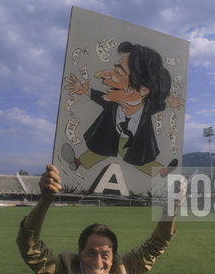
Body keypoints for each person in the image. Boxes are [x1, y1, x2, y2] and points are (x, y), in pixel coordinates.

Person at [16, 164, 176, 274]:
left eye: (105, 255)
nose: (98, 262)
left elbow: (157, 244)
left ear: (113, 257)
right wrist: (45, 200)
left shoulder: (121, 269)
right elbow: (29, 245)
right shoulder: (62, 272)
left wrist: (170, 208)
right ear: (80, 252)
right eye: (91, 253)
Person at [62, 41, 183, 176]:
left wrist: (170, 104)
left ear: (143, 90)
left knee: (139, 160)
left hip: (131, 141)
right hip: (111, 136)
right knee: (98, 152)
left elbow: (159, 106)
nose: (103, 77)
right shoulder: (113, 103)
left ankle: (161, 171)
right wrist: (86, 91)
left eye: (119, 73)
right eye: (115, 70)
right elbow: (99, 96)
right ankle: (77, 163)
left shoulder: (146, 108)